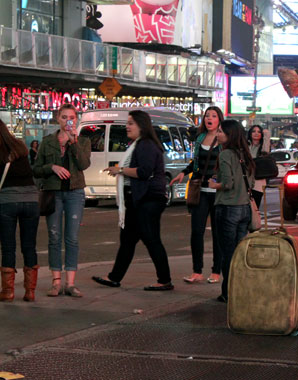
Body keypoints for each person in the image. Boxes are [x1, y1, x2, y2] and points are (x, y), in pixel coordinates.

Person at [92, 110, 173, 291]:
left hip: (148, 199)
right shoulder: (139, 144)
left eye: (131, 123)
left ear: (141, 126)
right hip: (138, 200)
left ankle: (165, 280)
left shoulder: (146, 145)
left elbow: (143, 172)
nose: (127, 127)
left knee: (151, 239)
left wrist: (119, 170)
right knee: (128, 240)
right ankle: (114, 277)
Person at [33, 103, 91, 297]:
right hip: (53, 193)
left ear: (76, 120)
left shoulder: (82, 142)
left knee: (72, 238)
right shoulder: (48, 141)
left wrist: (73, 142)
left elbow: (83, 164)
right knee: (54, 236)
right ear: (58, 119)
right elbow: (36, 168)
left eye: (72, 117)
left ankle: (70, 283)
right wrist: (52, 167)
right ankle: (56, 282)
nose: (68, 120)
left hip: (75, 192)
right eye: (64, 117)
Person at [170, 106, 223, 284]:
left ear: (219, 120)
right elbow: (196, 163)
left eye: (213, 116)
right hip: (199, 191)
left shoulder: (223, 140)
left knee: (217, 234)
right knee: (196, 231)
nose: (209, 118)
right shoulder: (200, 138)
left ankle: (216, 271)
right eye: (207, 115)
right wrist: (183, 173)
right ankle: (197, 271)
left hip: (217, 192)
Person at [207, 120, 254, 303]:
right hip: (244, 209)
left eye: (220, 132)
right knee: (239, 253)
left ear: (230, 135)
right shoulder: (244, 154)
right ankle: (240, 289)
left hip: (228, 208)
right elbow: (249, 182)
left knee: (228, 253)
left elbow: (228, 183)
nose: (217, 134)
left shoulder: (226, 154)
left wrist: (214, 184)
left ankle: (227, 292)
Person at [0, 120, 40, 302]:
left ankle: (8, 292)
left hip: (8, 201)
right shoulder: (20, 148)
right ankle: (30, 292)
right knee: (29, 246)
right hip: (31, 200)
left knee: (8, 247)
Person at [247, 124, 271, 208]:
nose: (256, 133)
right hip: (245, 182)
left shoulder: (263, 147)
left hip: (258, 183)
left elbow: (266, 151)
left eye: (259, 132)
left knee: (255, 208)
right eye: (253, 131)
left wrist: (266, 134)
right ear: (250, 133)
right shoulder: (246, 146)